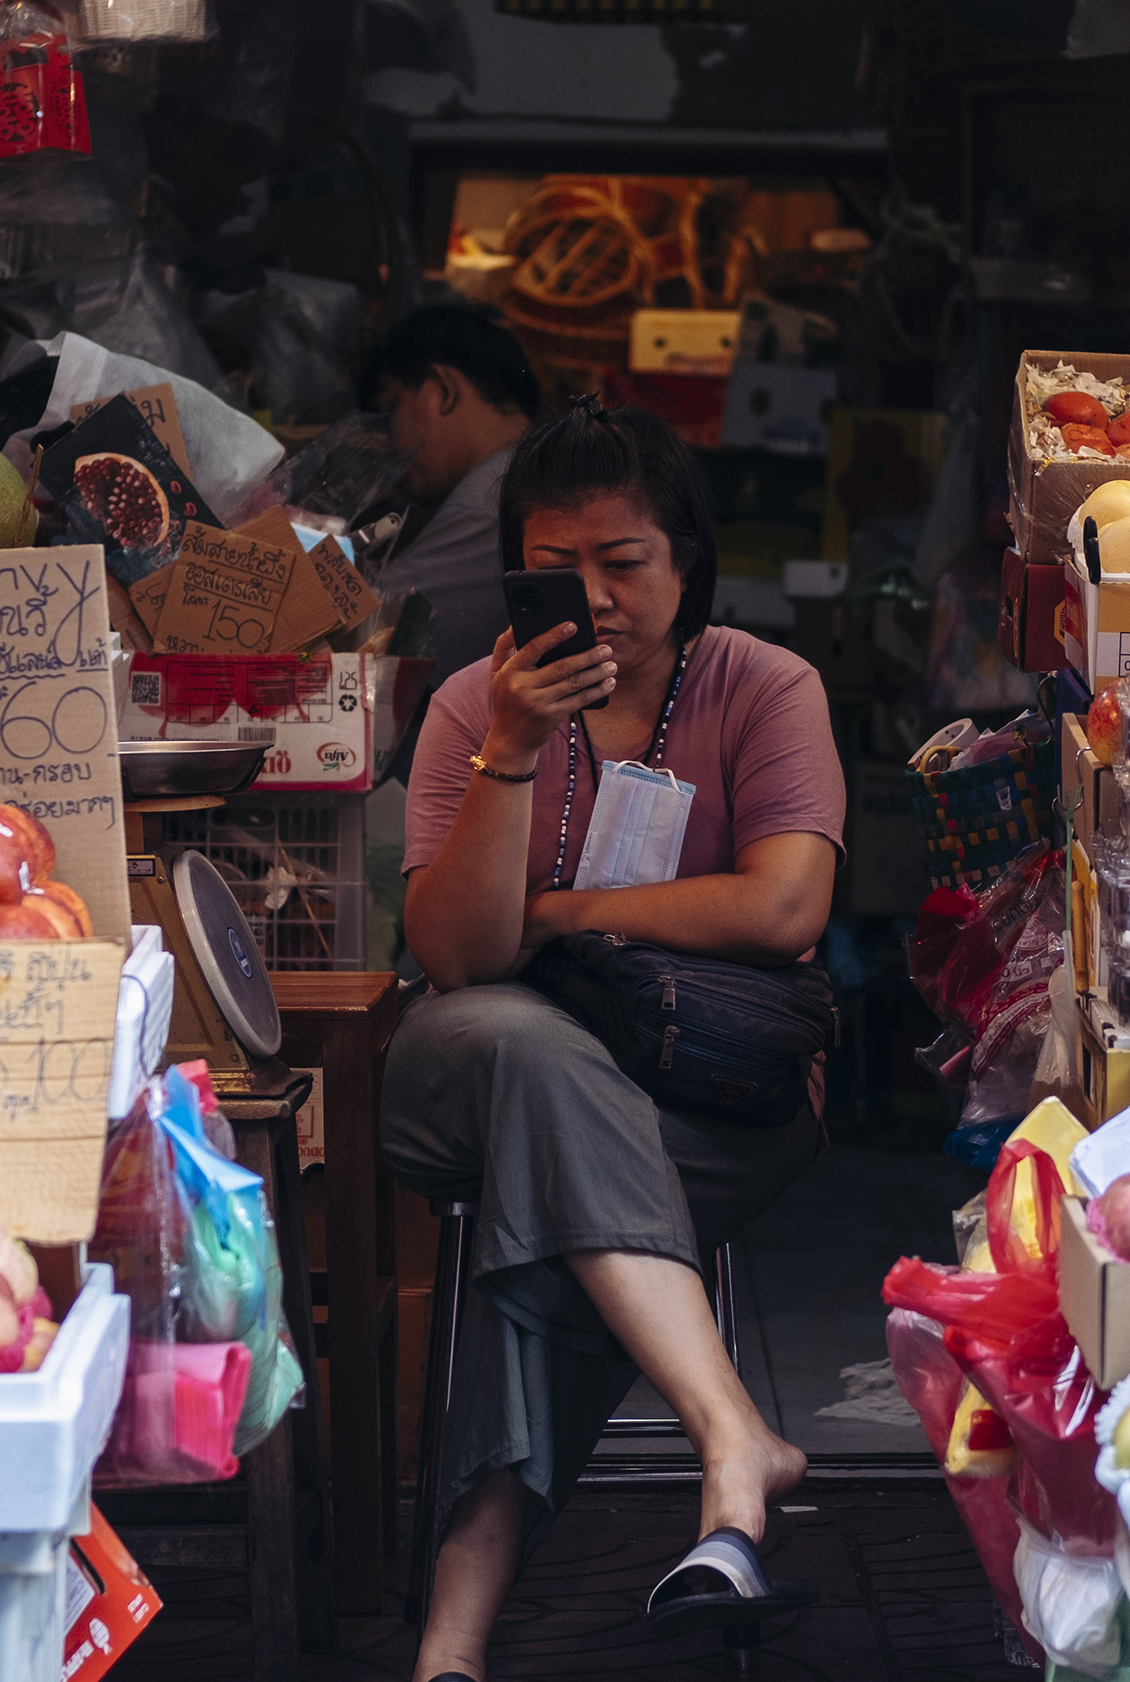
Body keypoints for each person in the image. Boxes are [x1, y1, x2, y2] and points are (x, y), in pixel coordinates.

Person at [382, 399, 844, 1682]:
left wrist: (572, 914)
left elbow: (788, 904)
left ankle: (451, 1646)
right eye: (555, 568)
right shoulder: (478, 704)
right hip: (471, 1074)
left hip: (717, 1099)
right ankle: (732, 1439)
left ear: (686, 562)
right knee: (531, 1056)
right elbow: (461, 959)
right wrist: (512, 753)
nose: (590, 597)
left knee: (548, 1231)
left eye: (622, 562)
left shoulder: (764, 686)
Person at [359, 302, 542, 682]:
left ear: (443, 389)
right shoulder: (529, 468)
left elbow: (369, 642)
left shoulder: (497, 497)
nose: (388, 446)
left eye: (390, 411)